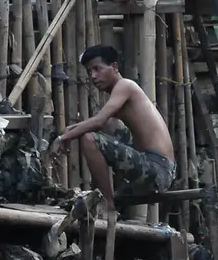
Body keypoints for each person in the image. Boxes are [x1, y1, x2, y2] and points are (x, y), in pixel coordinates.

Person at [46, 45, 176, 212]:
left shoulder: (125, 86)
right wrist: (68, 130)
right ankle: (107, 192)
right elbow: (102, 123)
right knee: (109, 125)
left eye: (97, 69)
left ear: (114, 67)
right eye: (89, 71)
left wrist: (62, 138)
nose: (93, 76)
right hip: (157, 166)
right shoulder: (119, 91)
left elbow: (98, 122)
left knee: (90, 138)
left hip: (158, 172)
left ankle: (107, 204)